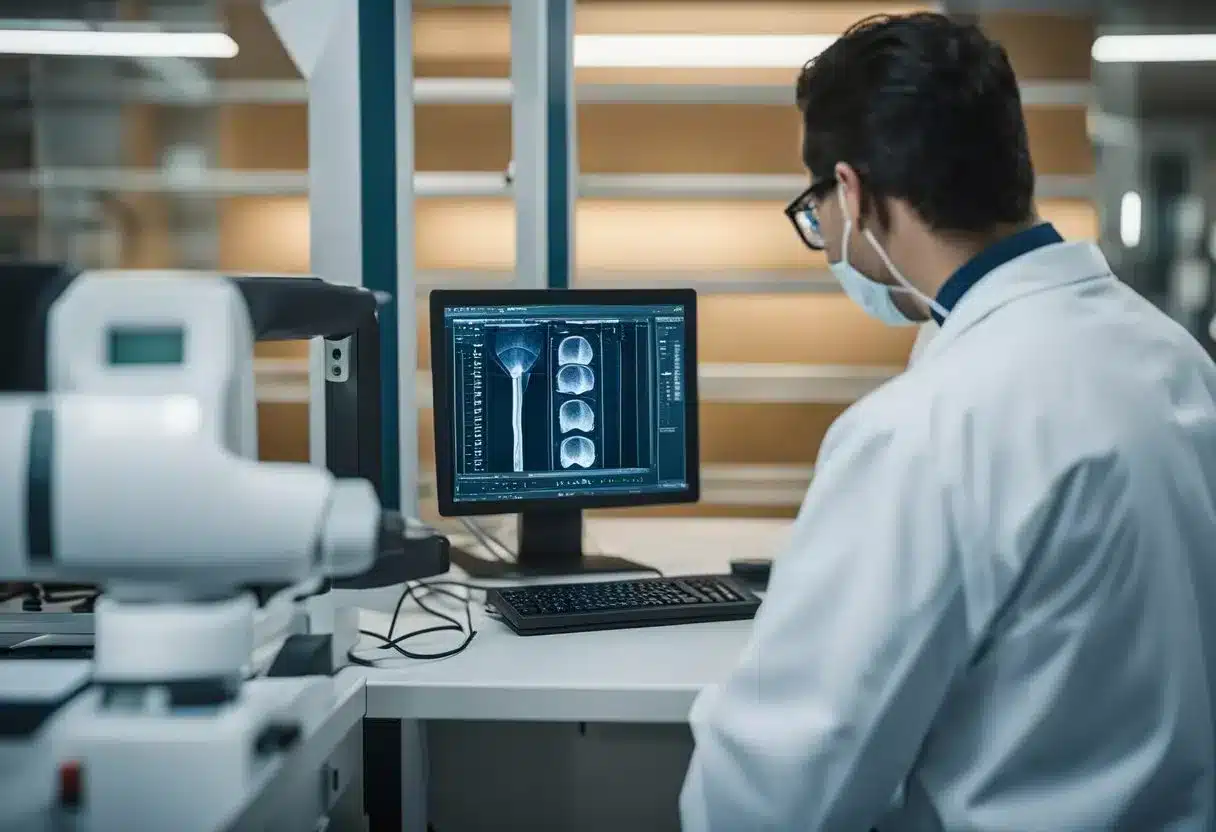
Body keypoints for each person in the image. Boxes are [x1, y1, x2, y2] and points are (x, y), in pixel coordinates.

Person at [681, 12, 1216, 831]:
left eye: (816, 209)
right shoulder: (1176, 360)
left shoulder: (924, 431)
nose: (824, 236)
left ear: (852, 195)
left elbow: (770, 800)